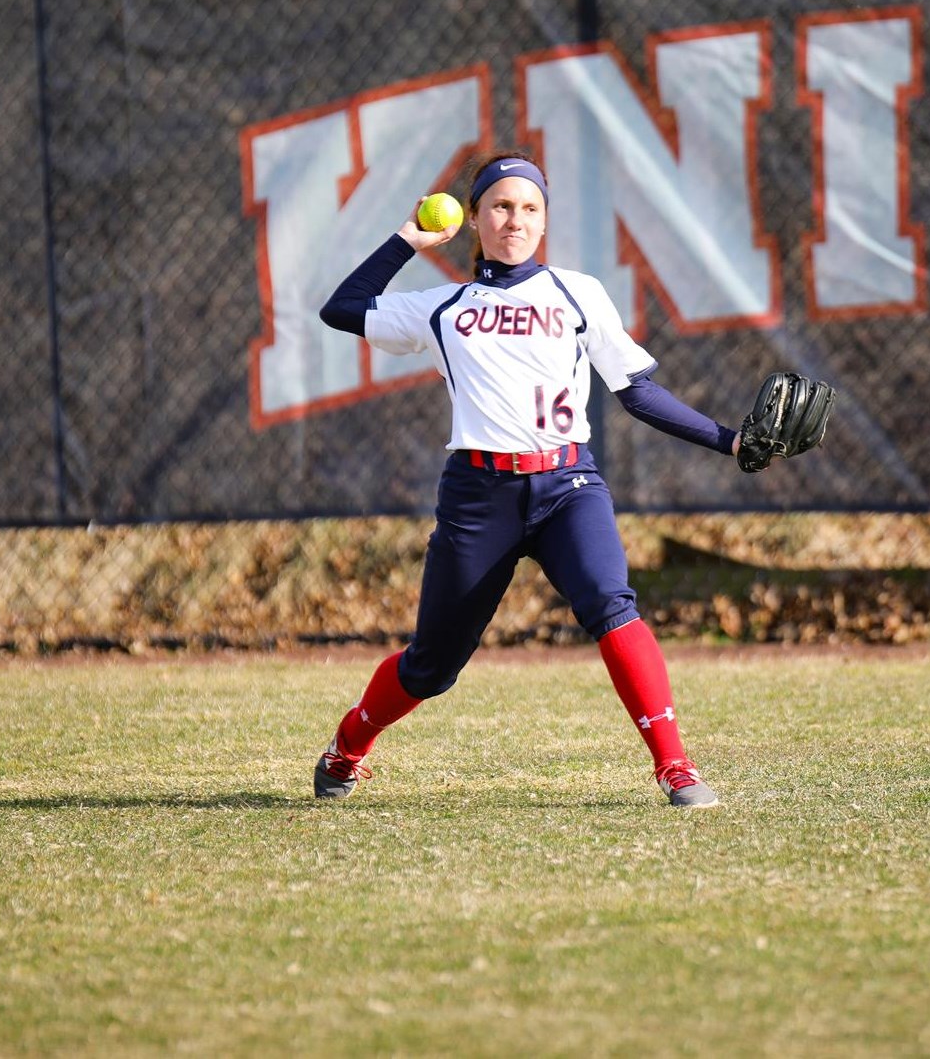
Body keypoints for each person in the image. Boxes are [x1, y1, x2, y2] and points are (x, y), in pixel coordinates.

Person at [309, 151, 746, 808]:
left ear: (545, 222)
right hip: (478, 497)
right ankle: (348, 746)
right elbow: (342, 309)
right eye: (501, 206)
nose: (515, 219)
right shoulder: (443, 306)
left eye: (530, 208)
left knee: (610, 603)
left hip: (568, 485)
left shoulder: (577, 293)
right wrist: (408, 239)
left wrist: (729, 440)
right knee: (431, 666)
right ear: (474, 218)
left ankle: (675, 766)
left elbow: (637, 392)